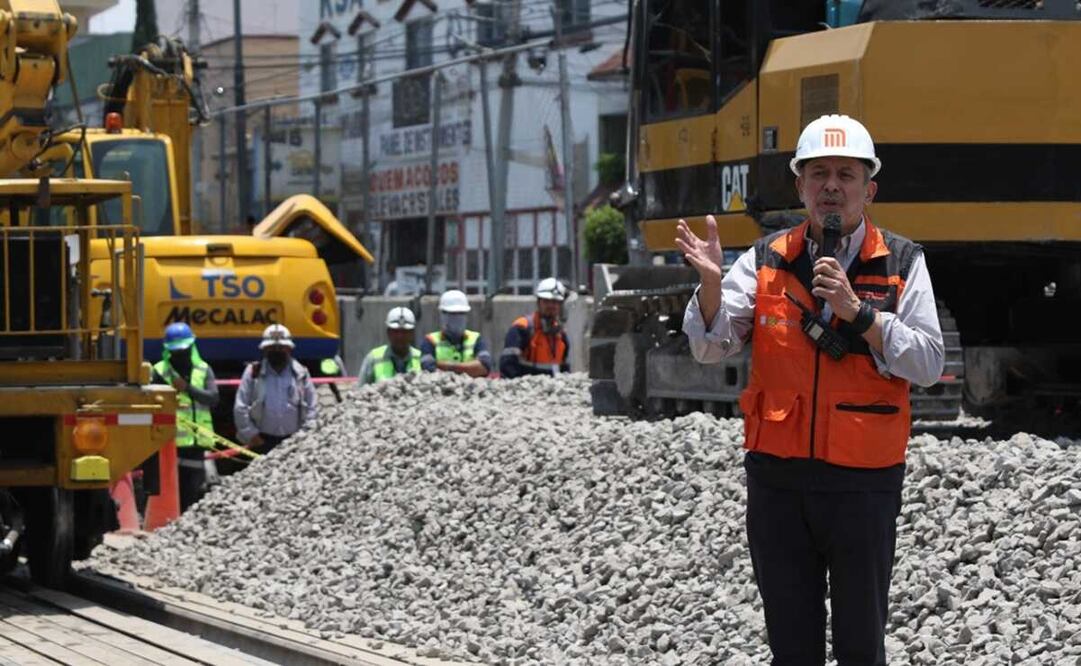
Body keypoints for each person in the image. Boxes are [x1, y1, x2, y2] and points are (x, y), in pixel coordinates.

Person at [678, 114, 945, 665]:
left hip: (864, 483)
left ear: (868, 189)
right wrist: (709, 287)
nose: (831, 186)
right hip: (779, 481)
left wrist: (860, 314)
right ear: (799, 186)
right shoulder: (766, 258)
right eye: (818, 172)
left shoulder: (903, 262)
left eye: (846, 174)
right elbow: (710, 346)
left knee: (860, 645)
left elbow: (927, 362)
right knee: (791, 645)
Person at [152, 322, 218, 511]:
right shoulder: (159, 371)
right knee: (170, 493)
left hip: (196, 444)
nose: (181, 355)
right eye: (176, 351)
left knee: (193, 492)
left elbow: (213, 398)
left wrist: (187, 388)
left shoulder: (203, 370)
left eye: (184, 350)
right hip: (168, 444)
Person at [233, 323, 318, 454]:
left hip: (296, 441)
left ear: (289, 349)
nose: (277, 351)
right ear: (264, 350)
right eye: (272, 347)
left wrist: (306, 436)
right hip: (262, 440)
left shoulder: (301, 373)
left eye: (281, 347)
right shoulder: (253, 372)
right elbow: (241, 406)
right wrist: (251, 434)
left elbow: (313, 407)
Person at [500, 277, 571, 378]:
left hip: (554, 390)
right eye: (546, 301)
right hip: (526, 390)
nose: (551, 306)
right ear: (538, 302)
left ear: (560, 305)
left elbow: (565, 370)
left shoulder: (561, 335)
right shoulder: (522, 328)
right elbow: (508, 367)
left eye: (555, 302)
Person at [420, 289, 492, 377]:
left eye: (461, 313)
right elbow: (428, 367)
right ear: (443, 315)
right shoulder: (430, 340)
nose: (457, 318)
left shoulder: (476, 338)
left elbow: (484, 367)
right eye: (452, 314)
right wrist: (469, 369)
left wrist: (446, 366)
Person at [360, 307, 422, 384]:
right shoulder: (373, 358)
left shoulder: (420, 358)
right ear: (388, 333)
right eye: (396, 332)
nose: (400, 336)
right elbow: (361, 391)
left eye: (405, 332)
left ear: (412, 333)